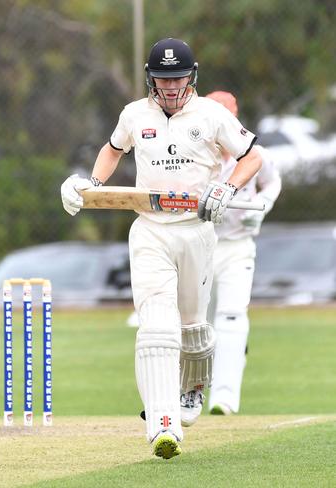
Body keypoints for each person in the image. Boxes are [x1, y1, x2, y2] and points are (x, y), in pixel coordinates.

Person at [60, 38, 262, 459]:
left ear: (192, 76)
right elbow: (112, 150)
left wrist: (226, 187)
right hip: (150, 227)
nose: (170, 87)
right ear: (151, 78)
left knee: (193, 329)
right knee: (155, 324)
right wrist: (92, 186)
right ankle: (162, 423)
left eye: (178, 78)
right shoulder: (135, 114)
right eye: (163, 79)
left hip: (196, 230)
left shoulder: (211, 114)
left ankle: (191, 388)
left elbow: (252, 156)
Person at [204, 91, 281, 416]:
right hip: (201, 245)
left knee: (232, 316)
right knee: (199, 324)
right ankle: (192, 390)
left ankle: (224, 399)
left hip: (237, 246)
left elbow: (272, 183)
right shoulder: (196, 154)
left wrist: (262, 206)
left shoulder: (254, 153)